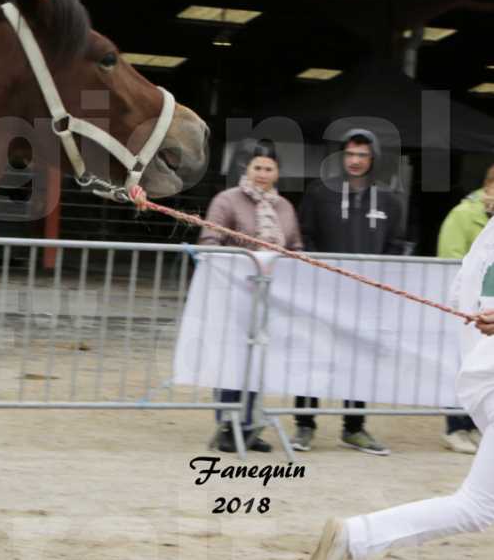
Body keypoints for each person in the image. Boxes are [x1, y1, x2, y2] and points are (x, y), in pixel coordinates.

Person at [307, 211, 494, 560]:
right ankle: (356, 536)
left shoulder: (487, 235)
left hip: (483, 372)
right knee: (476, 505)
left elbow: (463, 296)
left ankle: (356, 536)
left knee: (477, 505)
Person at [293, 129, 409, 455]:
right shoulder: (319, 193)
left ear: (373, 159)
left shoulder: (389, 200)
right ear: (342, 157)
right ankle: (304, 425)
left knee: (359, 362)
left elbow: (396, 246)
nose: (356, 161)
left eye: (362, 155)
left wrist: (381, 280)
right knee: (313, 358)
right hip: (324, 295)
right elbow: (306, 237)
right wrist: (320, 273)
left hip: (366, 300)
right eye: (350, 154)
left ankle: (354, 428)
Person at [198, 140, 302, 453]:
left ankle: (249, 424)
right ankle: (227, 425)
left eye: (268, 168)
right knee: (232, 360)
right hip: (233, 294)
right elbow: (209, 240)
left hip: (271, 299)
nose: (262, 173)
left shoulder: (284, 207)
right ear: (247, 169)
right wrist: (240, 264)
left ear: (277, 173)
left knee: (257, 361)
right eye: (257, 167)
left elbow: (295, 245)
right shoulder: (226, 201)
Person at [435, 163, 494, 453]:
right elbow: (463, 269)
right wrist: (463, 306)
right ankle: (460, 427)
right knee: (466, 369)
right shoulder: (471, 219)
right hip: (475, 320)